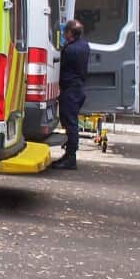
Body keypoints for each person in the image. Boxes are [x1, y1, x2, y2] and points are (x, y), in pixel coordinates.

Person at [52, 18, 89, 170]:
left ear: (68, 33)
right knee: (70, 121)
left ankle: (70, 157)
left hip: (70, 90)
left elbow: (61, 66)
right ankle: (69, 155)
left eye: (65, 32)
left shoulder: (69, 50)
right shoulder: (84, 46)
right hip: (78, 88)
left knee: (70, 123)